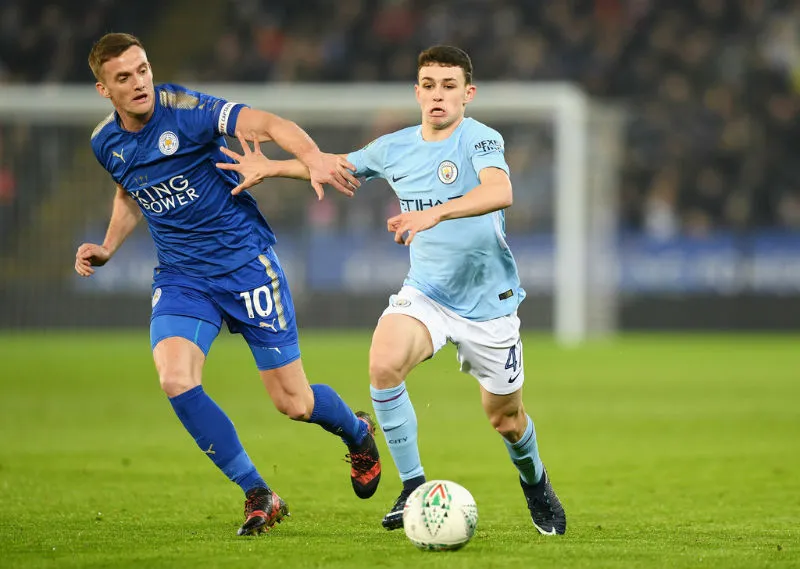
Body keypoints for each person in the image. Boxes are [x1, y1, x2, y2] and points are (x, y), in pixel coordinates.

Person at [215, 45, 567, 536]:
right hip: (427, 294)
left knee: (505, 419)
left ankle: (535, 481)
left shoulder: (481, 140)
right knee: (383, 363)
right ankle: (413, 487)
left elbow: (499, 191)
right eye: (428, 85)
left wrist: (434, 212)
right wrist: (272, 168)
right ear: (417, 92)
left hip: (490, 306)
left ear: (469, 94)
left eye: (449, 86)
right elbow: (334, 166)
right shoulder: (395, 147)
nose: (438, 95)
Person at [73, 33, 381, 537]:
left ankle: (357, 432)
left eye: (143, 69)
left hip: (245, 266)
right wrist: (108, 246)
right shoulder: (104, 141)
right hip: (183, 278)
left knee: (294, 403)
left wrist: (314, 155)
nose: (139, 83)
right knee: (175, 378)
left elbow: (268, 123)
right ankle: (259, 492)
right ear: (103, 89)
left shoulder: (188, 111)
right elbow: (130, 192)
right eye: (124, 77)